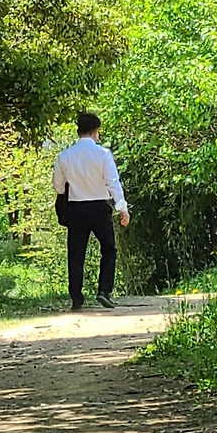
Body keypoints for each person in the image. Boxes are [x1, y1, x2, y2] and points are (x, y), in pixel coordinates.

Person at [52, 112, 130, 310]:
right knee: (109, 249)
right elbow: (112, 182)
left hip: (76, 208)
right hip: (99, 208)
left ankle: (76, 297)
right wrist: (122, 207)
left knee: (76, 253)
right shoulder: (103, 154)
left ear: (78, 131)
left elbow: (58, 186)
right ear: (96, 131)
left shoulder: (65, 156)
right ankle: (104, 291)